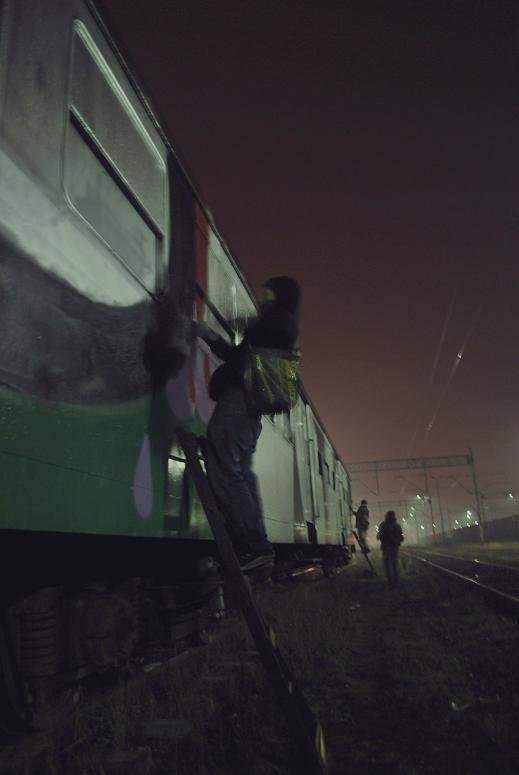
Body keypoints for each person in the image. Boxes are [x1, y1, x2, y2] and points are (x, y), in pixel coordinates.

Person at [198, 276, 300, 569]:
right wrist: (210, 335)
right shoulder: (274, 328)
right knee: (240, 473)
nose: (261, 299)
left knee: (227, 472)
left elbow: (247, 348)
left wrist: (243, 319)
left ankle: (254, 544)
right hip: (248, 412)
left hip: (238, 405)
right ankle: (256, 545)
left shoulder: (278, 322)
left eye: (267, 294)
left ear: (280, 298)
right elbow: (236, 356)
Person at [377, 510, 404, 588]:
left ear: (386, 516)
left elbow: (379, 536)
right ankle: (396, 581)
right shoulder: (397, 526)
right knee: (394, 564)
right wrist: (397, 540)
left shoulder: (383, 525)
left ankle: (390, 582)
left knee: (387, 565)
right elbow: (401, 537)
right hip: (394, 547)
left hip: (385, 548)